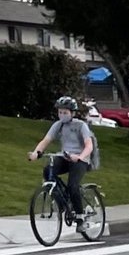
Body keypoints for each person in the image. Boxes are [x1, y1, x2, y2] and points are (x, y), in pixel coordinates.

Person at [28, 96, 95, 227]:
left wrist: (80, 157)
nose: (62, 115)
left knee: (72, 185)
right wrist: (36, 153)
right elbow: (46, 140)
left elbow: (89, 145)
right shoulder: (57, 125)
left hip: (79, 159)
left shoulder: (81, 126)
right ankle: (61, 202)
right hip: (65, 157)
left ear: (72, 113)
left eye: (65, 112)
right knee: (48, 171)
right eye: (60, 112)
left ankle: (80, 216)